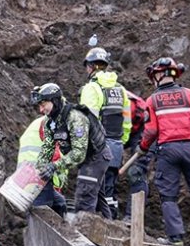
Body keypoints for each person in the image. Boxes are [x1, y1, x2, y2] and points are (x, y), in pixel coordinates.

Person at [139, 57, 190, 246]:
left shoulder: (152, 100)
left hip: (167, 151)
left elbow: (151, 131)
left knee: (168, 196)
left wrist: (143, 147)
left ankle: (176, 240)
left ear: (158, 75)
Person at [31, 83, 112, 218]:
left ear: (55, 101)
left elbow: (78, 154)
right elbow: (47, 148)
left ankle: (84, 234)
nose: (41, 109)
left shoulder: (75, 118)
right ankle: (111, 229)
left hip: (96, 157)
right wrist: (39, 171)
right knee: (98, 199)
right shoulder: (50, 123)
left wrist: (54, 167)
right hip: (86, 159)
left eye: (43, 104)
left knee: (84, 198)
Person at [78, 47, 132, 218]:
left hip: (98, 148)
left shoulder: (92, 88)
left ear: (91, 67)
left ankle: (96, 225)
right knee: (109, 189)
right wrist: (121, 142)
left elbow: (87, 121)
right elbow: (127, 122)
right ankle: (112, 223)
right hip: (116, 147)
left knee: (92, 188)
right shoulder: (120, 90)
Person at [17, 115, 68, 217]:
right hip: (38, 178)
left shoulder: (39, 123)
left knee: (60, 203)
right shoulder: (51, 123)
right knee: (41, 214)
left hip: (24, 176)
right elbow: (54, 154)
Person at [122, 91, 151, 223]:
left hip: (145, 131)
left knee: (136, 172)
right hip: (127, 129)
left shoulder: (129, 104)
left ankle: (133, 218)